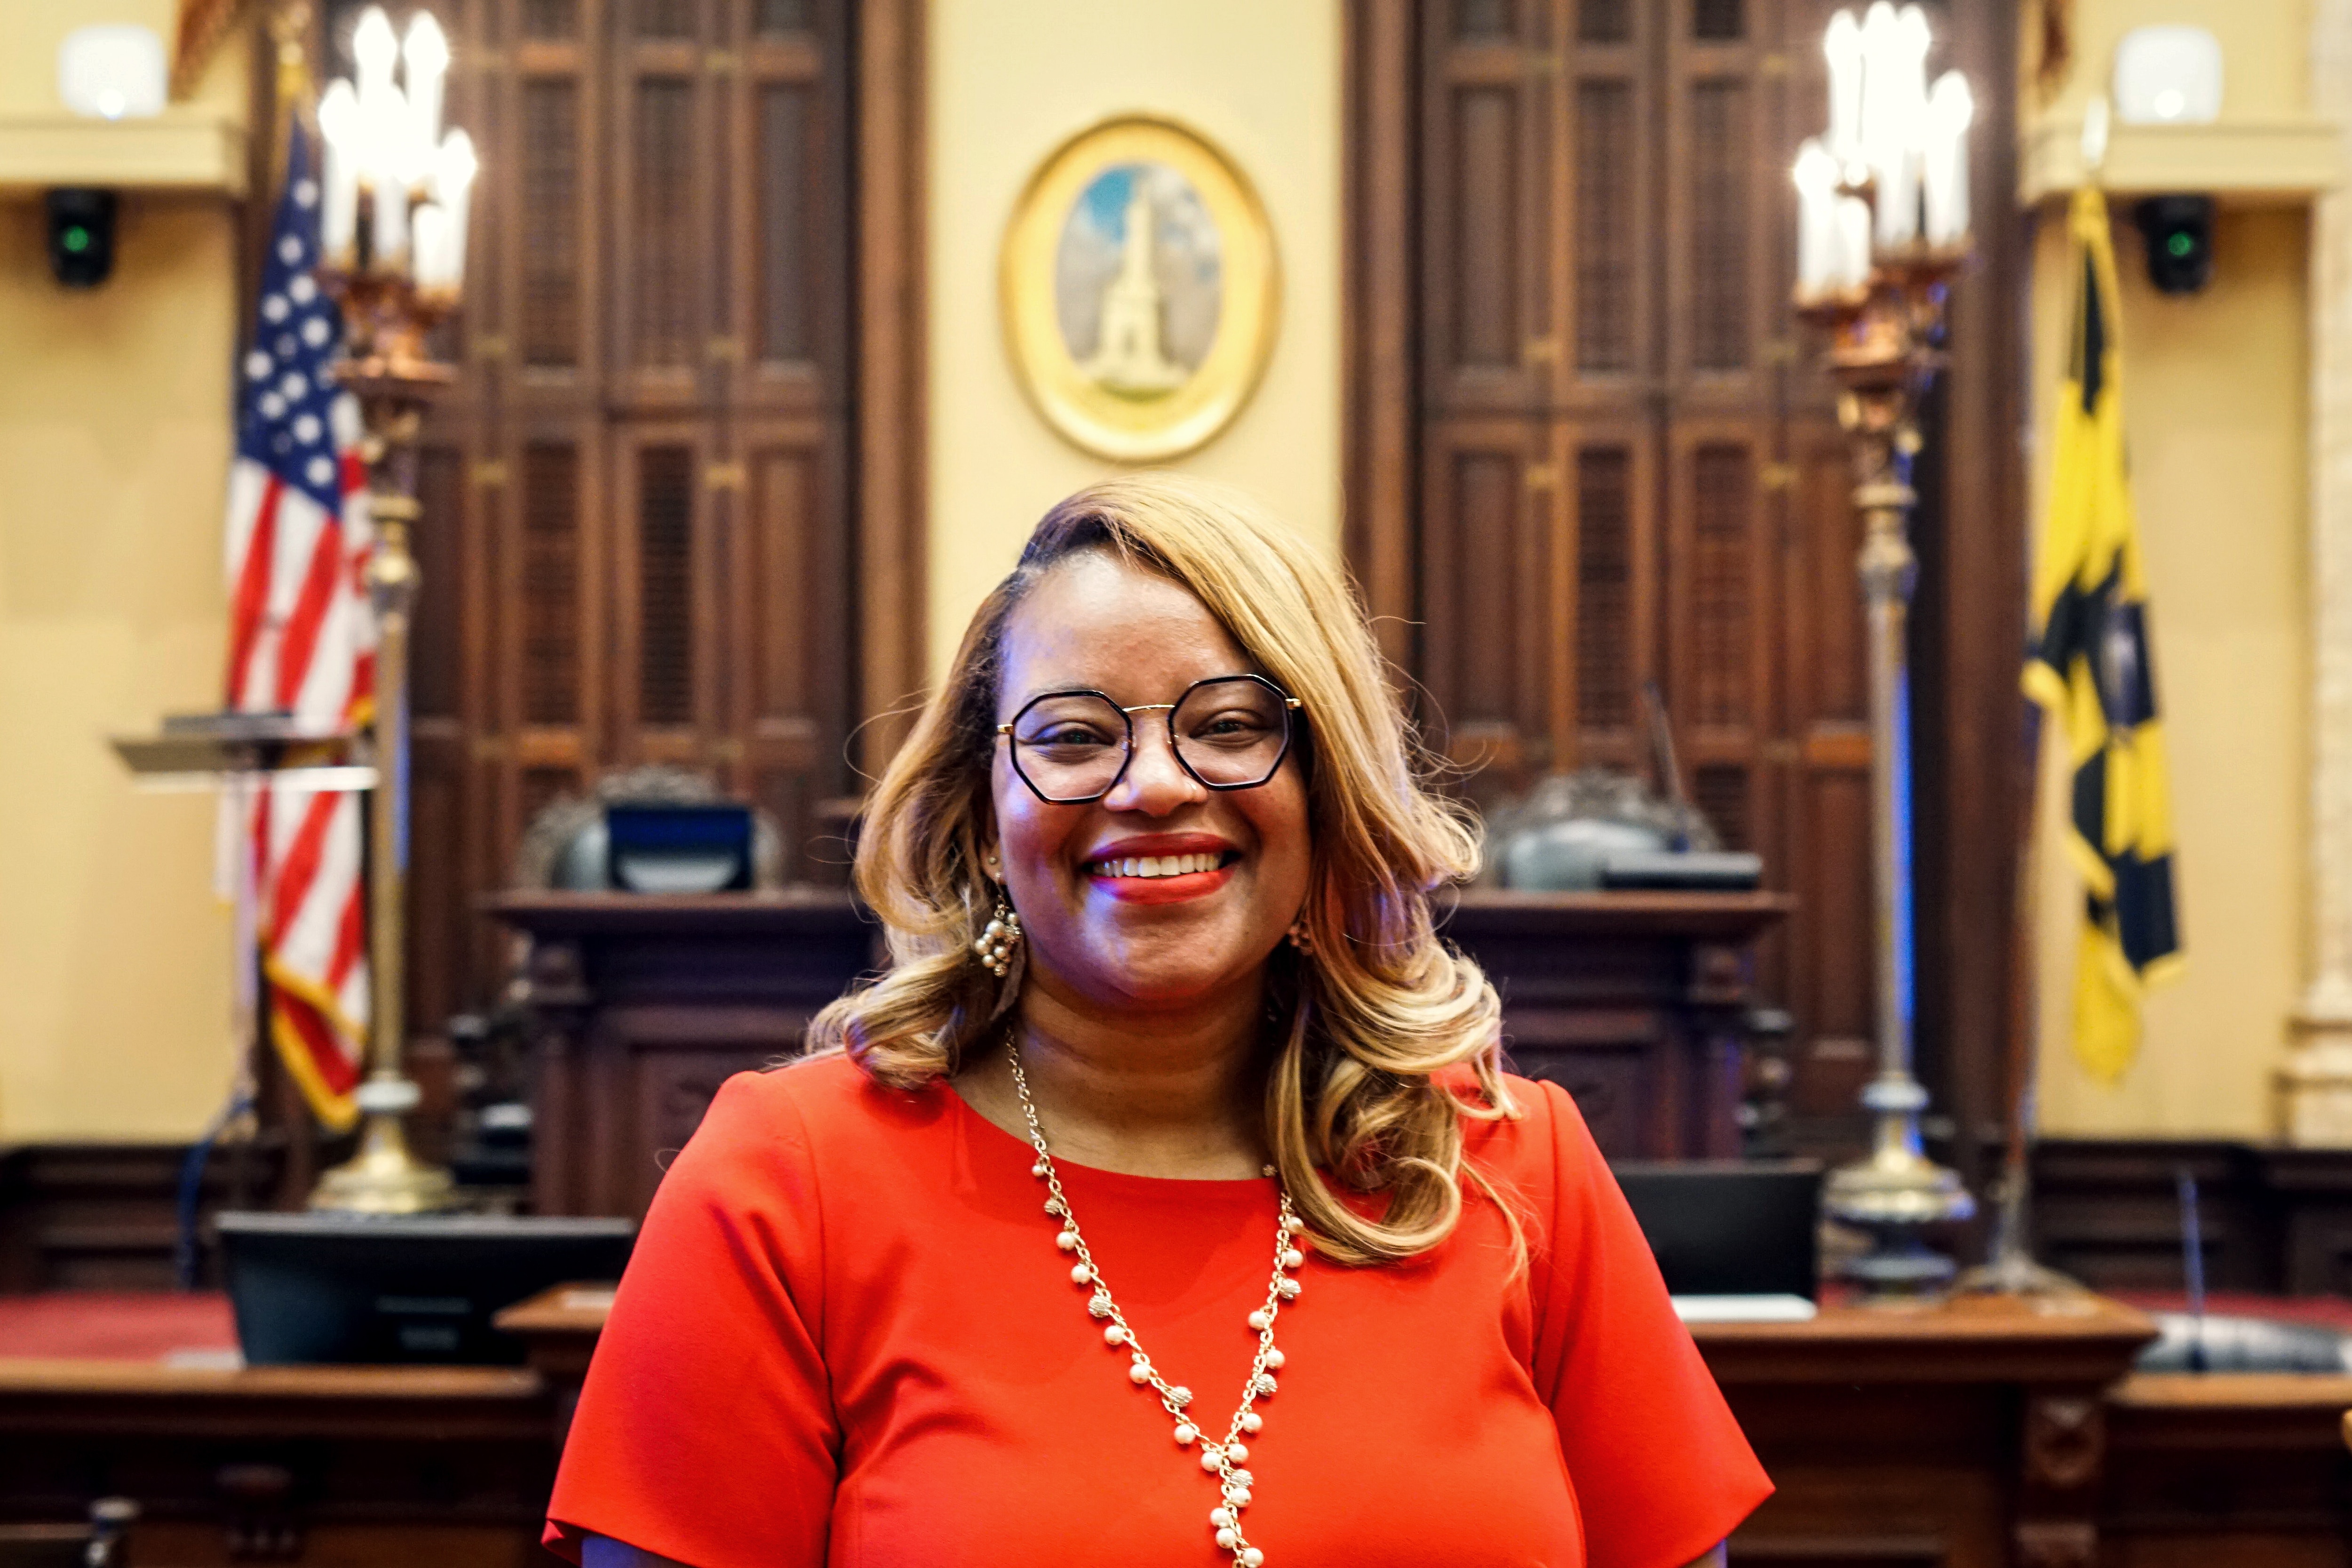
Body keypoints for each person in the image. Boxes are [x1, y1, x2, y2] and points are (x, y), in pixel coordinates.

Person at [548, 475, 1771, 1568]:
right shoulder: (784, 1184)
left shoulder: (1521, 1170)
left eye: (1230, 726)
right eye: (1074, 737)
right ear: (982, 815)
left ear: (1325, 787)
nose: (1153, 786)